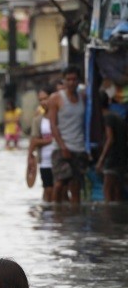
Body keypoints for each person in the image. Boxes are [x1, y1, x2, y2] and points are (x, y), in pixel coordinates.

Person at [46, 65, 88, 204]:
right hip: (61, 148)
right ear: (63, 81)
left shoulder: (83, 97)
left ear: (78, 80)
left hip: (79, 147)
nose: (71, 82)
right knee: (59, 183)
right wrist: (63, 146)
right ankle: (56, 217)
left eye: (74, 79)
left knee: (75, 186)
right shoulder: (56, 98)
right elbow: (53, 125)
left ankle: (75, 218)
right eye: (68, 79)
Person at [95, 90, 127, 202]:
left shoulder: (107, 118)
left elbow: (110, 139)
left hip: (112, 159)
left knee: (107, 190)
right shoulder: (118, 117)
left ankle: (108, 216)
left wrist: (101, 160)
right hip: (121, 159)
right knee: (117, 191)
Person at [26, 86, 56, 202]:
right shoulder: (38, 120)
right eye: (40, 100)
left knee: (58, 191)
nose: (43, 102)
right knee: (48, 190)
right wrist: (30, 159)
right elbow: (33, 141)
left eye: (46, 98)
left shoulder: (59, 117)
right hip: (45, 162)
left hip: (59, 161)